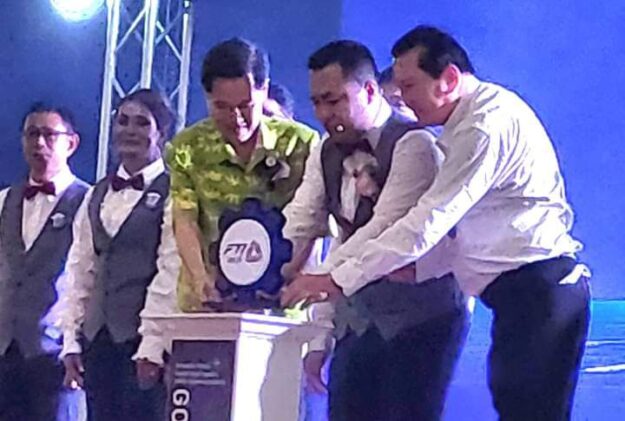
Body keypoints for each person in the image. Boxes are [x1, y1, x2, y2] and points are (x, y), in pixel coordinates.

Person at [285, 26, 591, 421]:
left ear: (448, 78)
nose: (403, 98)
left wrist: (336, 279)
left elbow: (427, 221)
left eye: (409, 86)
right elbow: (462, 233)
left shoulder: (483, 125)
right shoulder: (463, 125)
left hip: (538, 290)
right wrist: (417, 269)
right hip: (518, 296)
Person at [282, 40, 468, 421]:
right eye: (316, 102)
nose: (323, 114)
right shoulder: (324, 151)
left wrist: (320, 279)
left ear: (369, 90)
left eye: (333, 101)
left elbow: (382, 230)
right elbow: (302, 221)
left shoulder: (414, 144)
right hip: (357, 320)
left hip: (422, 318)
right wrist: (260, 269)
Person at [166, 37, 318, 312]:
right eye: (222, 107)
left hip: (278, 303)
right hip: (208, 302)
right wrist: (200, 278)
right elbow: (185, 219)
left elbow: (311, 223)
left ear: (264, 90)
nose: (236, 118)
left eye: (245, 106)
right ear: (207, 98)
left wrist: (282, 282)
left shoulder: (300, 144)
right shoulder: (188, 147)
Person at [60, 89, 178, 421]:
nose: (130, 130)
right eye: (123, 121)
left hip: (143, 342)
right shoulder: (96, 193)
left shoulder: (174, 191)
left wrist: (152, 345)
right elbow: (80, 269)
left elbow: (171, 270)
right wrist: (71, 340)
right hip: (98, 341)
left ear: (161, 133)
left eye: (142, 123)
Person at [0, 103, 88, 420]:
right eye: (32, 134)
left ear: (71, 143)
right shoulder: (4, 200)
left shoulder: (89, 201)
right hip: (5, 351)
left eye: (49, 135)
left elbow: (88, 279)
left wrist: (74, 344)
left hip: (54, 354)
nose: (39, 143)